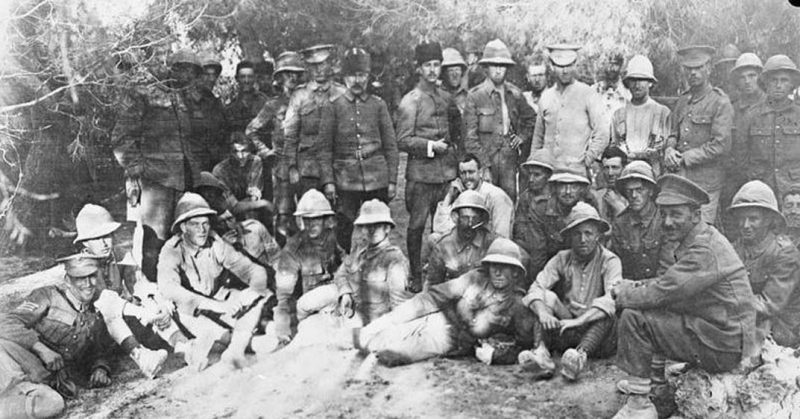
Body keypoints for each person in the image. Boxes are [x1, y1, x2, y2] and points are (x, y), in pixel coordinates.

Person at [612, 174, 756, 418]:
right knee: (652, 307)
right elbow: (671, 284)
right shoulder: (700, 239)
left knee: (634, 316)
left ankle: (639, 406)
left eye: (676, 214)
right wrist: (634, 285)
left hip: (725, 345)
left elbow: (663, 292)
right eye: (664, 213)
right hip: (721, 333)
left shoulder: (704, 249)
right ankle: (653, 382)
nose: (667, 222)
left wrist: (623, 293)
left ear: (696, 215)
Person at [351, 238, 536, 366]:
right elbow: (434, 296)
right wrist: (387, 320)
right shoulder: (475, 278)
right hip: (437, 318)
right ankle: (348, 339)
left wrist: (496, 357)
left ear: (516, 273)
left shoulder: (517, 305)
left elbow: (525, 345)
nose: (498, 272)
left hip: (450, 341)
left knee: (392, 352)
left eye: (506, 268)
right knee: (370, 334)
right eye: (495, 266)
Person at [157, 193, 271, 369]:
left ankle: (238, 348)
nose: (202, 230)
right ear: (183, 227)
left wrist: (252, 290)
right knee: (219, 335)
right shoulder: (171, 250)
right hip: (191, 311)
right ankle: (243, 343)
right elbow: (169, 289)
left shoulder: (216, 243)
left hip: (220, 299)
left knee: (259, 297)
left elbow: (252, 270)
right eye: (195, 225)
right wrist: (216, 306)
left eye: (205, 223)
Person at [0, 255, 116, 418]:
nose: (88, 284)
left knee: (52, 404)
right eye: (80, 278)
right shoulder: (47, 296)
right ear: (68, 280)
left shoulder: (95, 315)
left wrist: (100, 369)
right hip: (16, 360)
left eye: (92, 276)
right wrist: (40, 348)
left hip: (42, 378)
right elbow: (5, 321)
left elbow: (99, 351)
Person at [73, 204, 177, 379]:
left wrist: (159, 305)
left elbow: (139, 283)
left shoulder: (119, 254)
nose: (105, 242)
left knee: (154, 304)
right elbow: (103, 301)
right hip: (91, 331)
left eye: (108, 235)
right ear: (85, 242)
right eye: (97, 238)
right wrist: (144, 313)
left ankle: (184, 347)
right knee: (108, 301)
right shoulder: (80, 265)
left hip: (120, 324)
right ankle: (140, 356)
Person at [112, 49, 204, 248]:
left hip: (186, 178)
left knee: (184, 236)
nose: (189, 76)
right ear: (172, 69)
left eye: (193, 72)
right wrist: (136, 167)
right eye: (184, 70)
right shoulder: (145, 93)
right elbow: (121, 136)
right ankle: (152, 278)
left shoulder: (185, 100)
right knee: (156, 238)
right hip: (157, 180)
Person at [518, 202, 620, 381]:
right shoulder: (562, 258)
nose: (582, 239)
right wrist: (542, 313)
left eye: (588, 233)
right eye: (577, 234)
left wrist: (579, 321)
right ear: (570, 237)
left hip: (597, 334)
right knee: (545, 298)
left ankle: (580, 357)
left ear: (597, 235)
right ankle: (541, 354)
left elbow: (612, 298)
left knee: (608, 310)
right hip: (568, 328)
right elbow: (536, 287)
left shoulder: (609, 260)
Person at [396, 40, 462, 291]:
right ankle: (416, 273)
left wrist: (457, 161)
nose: (433, 70)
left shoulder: (446, 98)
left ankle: (441, 272)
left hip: (446, 174)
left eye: (437, 65)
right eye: (428, 65)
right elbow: (403, 140)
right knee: (417, 227)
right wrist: (431, 146)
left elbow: (457, 132)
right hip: (422, 176)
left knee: (445, 227)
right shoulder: (410, 101)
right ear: (418, 69)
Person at [319, 47, 399, 251]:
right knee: (344, 228)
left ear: (368, 77)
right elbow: (325, 149)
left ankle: (378, 263)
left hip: (376, 177)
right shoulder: (333, 107)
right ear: (344, 78)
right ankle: (346, 266)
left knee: (378, 225)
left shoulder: (378, 105)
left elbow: (390, 146)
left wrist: (391, 180)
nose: (356, 80)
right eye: (352, 75)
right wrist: (328, 181)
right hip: (346, 179)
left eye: (361, 75)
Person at [663, 45, 734, 224]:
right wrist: (669, 149)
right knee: (677, 228)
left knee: (701, 232)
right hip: (680, 179)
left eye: (698, 68)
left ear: (709, 69)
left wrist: (686, 157)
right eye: (689, 69)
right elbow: (673, 134)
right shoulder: (682, 101)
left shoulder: (720, 102)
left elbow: (720, 145)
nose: (693, 73)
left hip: (706, 184)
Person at [728, 181, 800, 347]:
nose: (745, 225)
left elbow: (768, 305)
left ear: (769, 220)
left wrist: (721, 305)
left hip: (782, 328)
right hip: (746, 318)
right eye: (741, 218)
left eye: (753, 219)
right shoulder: (735, 248)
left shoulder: (785, 253)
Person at [464, 39, 536, 202]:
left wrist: (522, 137)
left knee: (508, 202)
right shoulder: (475, 96)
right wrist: (484, 165)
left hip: (508, 161)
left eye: (502, 66)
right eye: (493, 65)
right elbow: (470, 138)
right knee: (483, 202)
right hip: (485, 160)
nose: (498, 70)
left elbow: (532, 119)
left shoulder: (515, 94)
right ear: (486, 68)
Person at [246, 51, 306, 239]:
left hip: (306, 165)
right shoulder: (273, 105)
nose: (292, 78)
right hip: (282, 169)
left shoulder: (310, 101)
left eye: (296, 74)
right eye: (287, 74)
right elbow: (251, 130)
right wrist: (266, 152)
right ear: (279, 78)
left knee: (310, 211)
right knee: (283, 215)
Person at [273, 189, 344, 343]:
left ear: (326, 220)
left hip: (339, 302)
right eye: (307, 220)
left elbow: (350, 266)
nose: (311, 224)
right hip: (310, 309)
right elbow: (284, 296)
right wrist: (283, 328)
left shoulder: (335, 238)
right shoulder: (293, 248)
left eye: (316, 219)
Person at [530, 44, 608, 172]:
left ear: (575, 64)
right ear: (552, 66)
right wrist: (535, 164)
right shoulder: (546, 97)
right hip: (548, 171)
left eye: (569, 65)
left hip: (576, 173)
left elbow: (603, 133)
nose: (565, 71)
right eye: (560, 66)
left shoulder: (588, 94)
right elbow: (538, 138)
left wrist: (586, 161)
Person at [283, 44, 346, 202]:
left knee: (341, 217)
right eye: (313, 65)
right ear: (307, 68)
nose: (318, 70)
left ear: (330, 64)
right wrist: (292, 167)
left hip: (338, 167)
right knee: (311, 213)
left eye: (322, 64)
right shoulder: (300, 95)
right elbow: (290, 135)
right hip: (308, 169)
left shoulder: (342, 93)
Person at [336, 200, 412, 324]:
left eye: (376, 226)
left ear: (387, 228)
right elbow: (341, 274)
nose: (371, 231)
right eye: (366, 226)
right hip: (353, 311)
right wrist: (345, 293)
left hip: (375, 324)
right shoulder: (360, 249)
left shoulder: (393, 259)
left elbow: (398, 305)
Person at [513, 164, 593, 279]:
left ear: (581, 189)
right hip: (550, 266)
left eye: (573, 187)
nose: (568, 192)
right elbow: (538, 252)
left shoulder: (590, 206)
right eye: (562, 186)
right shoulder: (541, 209)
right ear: (554, 188)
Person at [743, 55, 800, 202]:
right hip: (761, 186)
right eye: (774, 80)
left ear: (792, 84)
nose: (779, 85)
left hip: (794, 188)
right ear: (766, 83)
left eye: (784, 80)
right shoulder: (752, 114)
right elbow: (741, 154)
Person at [610, 54, 671, 175]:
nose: (637, 84)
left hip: (654, 173)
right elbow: (614, 149)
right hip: (625, 174)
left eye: (642, 79)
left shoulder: (662, 112)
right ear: (627, 82)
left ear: (650, 83)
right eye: (633, 79)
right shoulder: (619, 114)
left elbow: (667, 149)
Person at [424, 190, 497, 289]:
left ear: (481, 220)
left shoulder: (493, 243)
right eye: (465, 218)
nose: (470, 224)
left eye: (475, 219)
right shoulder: (443, 246)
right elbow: (432, 285)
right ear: (455, 218)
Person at [610, 161, 670, 281]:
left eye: (639, 190)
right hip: (631, 287)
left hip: (661, 287)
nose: (633, 195)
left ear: (651, 191)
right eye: (629, 191)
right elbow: (617, 264)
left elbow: (668, 268)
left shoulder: (665, 219)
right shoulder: (621, 223)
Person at [449, 154, 514, 238]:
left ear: (480, 173)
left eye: (471, 172)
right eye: (463, 173)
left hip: (491, 246)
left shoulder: (496, 196)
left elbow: (502, 236)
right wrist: (449, 196)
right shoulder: (461, 194)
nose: (467, 177)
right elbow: (443, 229)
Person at [187, 50, 228, 171]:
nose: (211, 79)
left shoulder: (216, 103)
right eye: (206, 74)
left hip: (214, 163)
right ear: (196, 75)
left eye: (214, 75)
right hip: (193, 164)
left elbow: (223, 133)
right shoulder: (185, 101)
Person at [225, 60, 269, 133]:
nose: (246, 81)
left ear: (255, 78)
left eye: (250, 76)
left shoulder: (265, 102)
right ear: (237, 78)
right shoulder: (230, 108)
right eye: (242, 77)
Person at [592, 146, 629, 223]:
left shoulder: (634, 196)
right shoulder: (595, 197)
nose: (610, 173)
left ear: (624, 169)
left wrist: (617, 205)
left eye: (615, 167)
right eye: (606, 168)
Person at [516, 148, 554, 216]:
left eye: (537, 175)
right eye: (530, 174)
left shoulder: (557, 198)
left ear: (548, 175)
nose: (531, 179)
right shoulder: (525, 197)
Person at [440, 47, 469, 114]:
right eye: (450, 70)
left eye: (457, 70)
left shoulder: (469, 97)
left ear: (462, 72)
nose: (455, 74)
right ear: (443, 74)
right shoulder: (436, 96)